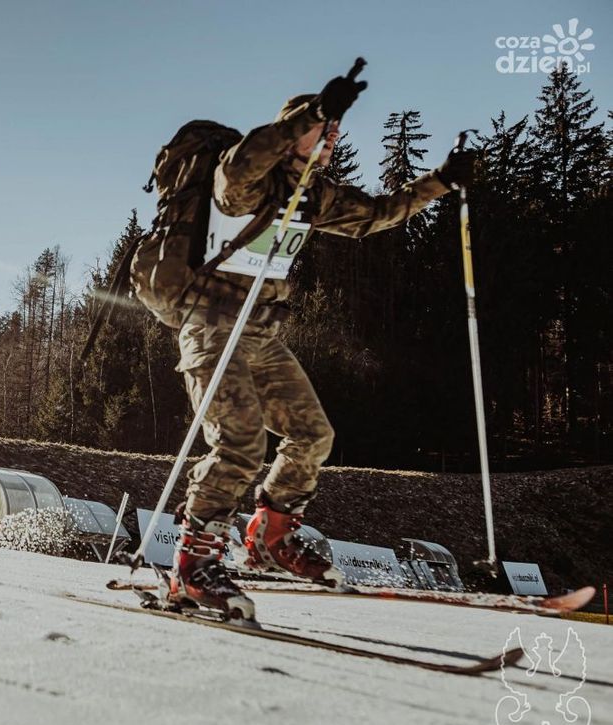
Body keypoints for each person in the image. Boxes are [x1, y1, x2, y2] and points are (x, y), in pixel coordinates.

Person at [156, 75, 476, 618]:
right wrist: (309, 117)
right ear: (294, 133)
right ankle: (191, 567)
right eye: (321, 131)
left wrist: (441, 182)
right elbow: (245, 161)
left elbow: (374, 216)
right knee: (239, 443)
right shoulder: (241, 181)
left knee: (312, 434)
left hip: (259, 332)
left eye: (335, 132)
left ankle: (270, 535)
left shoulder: (314, 194)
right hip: (211, 326)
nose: (330, 139)